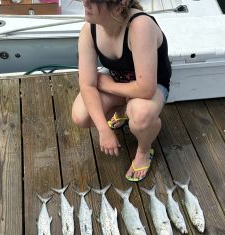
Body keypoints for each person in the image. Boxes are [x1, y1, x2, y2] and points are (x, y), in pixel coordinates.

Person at [72, 0, 172, 182]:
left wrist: (109, 86)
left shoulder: (140, 25)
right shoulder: (89, 30)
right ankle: (123, 109)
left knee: (141, 115)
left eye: (95, 1)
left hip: (151, 87)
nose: (85, 3)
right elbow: (87, 84)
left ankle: (144, 150)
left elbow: (146, 89)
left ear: (118, 8)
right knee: (81, 116)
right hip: (122, 84)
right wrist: (103, 129)